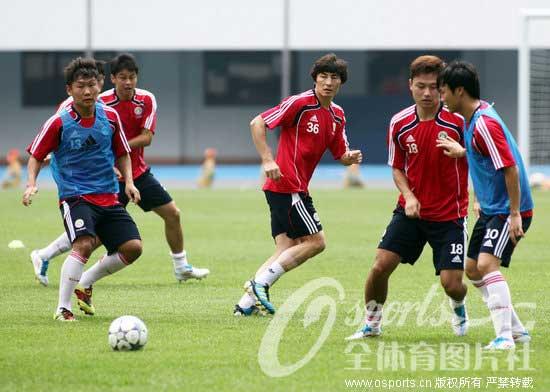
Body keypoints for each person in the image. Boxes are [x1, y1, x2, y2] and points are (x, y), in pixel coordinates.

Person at [30, 54, 210, 296]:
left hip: (136, 172)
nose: (128, 82)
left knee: (172, 214)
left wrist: (118, 147)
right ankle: (50, 260)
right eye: (123, 78)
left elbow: (147, 137)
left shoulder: (146, 99)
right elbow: (65, 115)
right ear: (112, 79)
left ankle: (180, 267)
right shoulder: (98, 99)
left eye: (132, 77)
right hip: (107, 175)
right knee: (97, 236)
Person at [346, 55, 470, 340]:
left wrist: (464, 154)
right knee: (379, 267)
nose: (427, 93)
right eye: (421, 86)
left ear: (444, 88)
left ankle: (459, 307)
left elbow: (480, 157)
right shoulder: (399, 123)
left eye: (434, 87)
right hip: (410, 211)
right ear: (410, 85)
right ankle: (371, 324)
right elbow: (398, 168)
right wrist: (409, 196)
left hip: (450, 215)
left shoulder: (458, 122)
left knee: (451, 284)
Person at [233, 53, 362, 316]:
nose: (327, 82)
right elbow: (257, 123)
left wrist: (349, 158)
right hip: (286, 184)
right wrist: (268, 160)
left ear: (341, 83)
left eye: (333, 77)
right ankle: (261, 283)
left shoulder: (337, 115)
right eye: (322, 76)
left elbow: (341, 155)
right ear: (315, 79)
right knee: (316, 242)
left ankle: (244, 306)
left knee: (286, 248)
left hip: (294, 187)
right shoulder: (300, 103)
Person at [23, 57, 142, 321]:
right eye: (80, 86)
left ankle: (85, 280)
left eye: (92, 85)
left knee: (133, 247)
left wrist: (130, 182)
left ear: (99, 86)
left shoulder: (110, 117)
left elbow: (123, 151)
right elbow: (35, 155)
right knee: (84, 243)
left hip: (108, 196)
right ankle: (62, 308)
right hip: (75, 196)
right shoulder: (59, 122)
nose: (87, 91)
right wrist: (31, 184)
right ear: (69, 90)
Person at [437, 60, 534, 350]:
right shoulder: (472, 120)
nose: (441, 98)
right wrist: (462, 152)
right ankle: (516, 330)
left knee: (487, 265)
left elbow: (510, 168)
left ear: (459, 91)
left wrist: (516, 214)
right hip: (493, 209)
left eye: (444, 92)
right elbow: (484, 156)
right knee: (472, 269)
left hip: (508, 210)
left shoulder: (484, 123)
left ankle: (504, 337)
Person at [29, 59, 106, 286]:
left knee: (98, 229)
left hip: (99, 175)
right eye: (85, 84)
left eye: (96, 82)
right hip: (75, 179)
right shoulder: (68, 108)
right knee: (92, 233)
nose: (91, 89)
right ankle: (74, 287)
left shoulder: (102, 106)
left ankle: (45, 255)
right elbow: (64, 139)